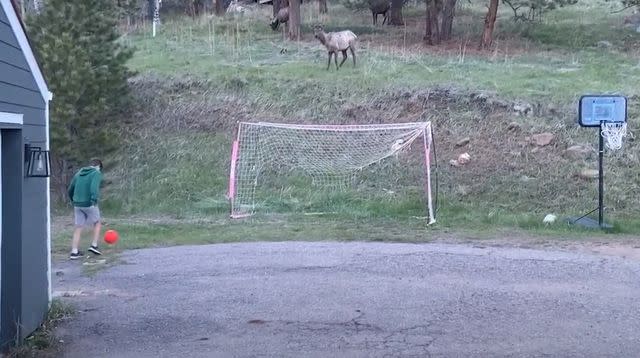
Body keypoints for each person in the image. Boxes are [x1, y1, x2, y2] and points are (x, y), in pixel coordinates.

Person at [67, 158, 104, 259]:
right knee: (97, 222)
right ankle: (94, 245)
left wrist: (73, 199)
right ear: (98, 167)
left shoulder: (79, 172)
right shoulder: (96, 173)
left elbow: (70, 188)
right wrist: (94, 200)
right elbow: (94, 188)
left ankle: (74, 252)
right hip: (89, 203)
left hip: (77, 204)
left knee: (78, 227)